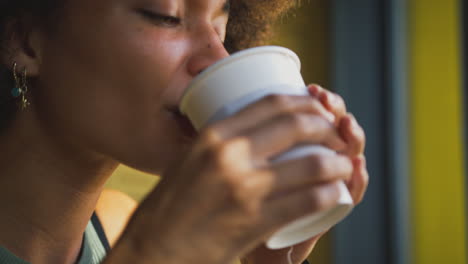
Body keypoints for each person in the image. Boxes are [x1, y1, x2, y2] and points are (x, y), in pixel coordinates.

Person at [0, 0, 369, 263]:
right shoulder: (147, 239)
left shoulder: (116, 224)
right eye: (166, 16)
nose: (217, 58)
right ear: (27, 42)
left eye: (220, 21)